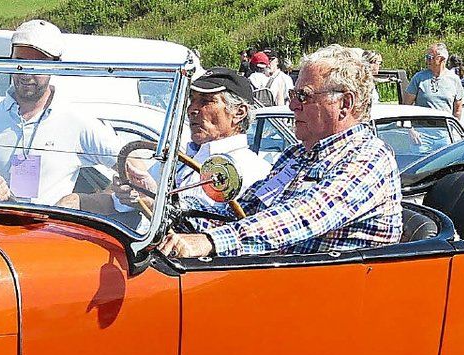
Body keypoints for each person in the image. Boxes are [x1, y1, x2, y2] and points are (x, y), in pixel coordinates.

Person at [157, 44, 401, 259]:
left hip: (326, 295)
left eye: (303, 96)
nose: (292, 105)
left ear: (345, 104)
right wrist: (167, 205)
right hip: (273, 284)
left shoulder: (369, 157)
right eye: (294, 95)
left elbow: (304, 217)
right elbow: (243, 211)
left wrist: (210, 242)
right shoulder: (295, 155)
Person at [0, 20, 120, 205]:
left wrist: (85, 201)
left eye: (36, 64)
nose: (26, 73)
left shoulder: (77, 121)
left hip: (49, 232)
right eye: (19, 63)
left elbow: (131, 167)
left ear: (55, 65)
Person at [93, 68, 271, 217]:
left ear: (239, 113)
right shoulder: (180, 159)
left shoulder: (252, 170)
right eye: (192, 100)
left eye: (206, 101)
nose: (192, 109)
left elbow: (219, 231)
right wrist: (129, 191)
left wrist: (152, 202)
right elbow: (122, 203)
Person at [405, 42, 463, 118]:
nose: (427, 60)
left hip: (444, 128)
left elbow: (457, 111)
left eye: (430, 57)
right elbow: (406, 105)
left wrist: (453, 128)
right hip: (422, 128)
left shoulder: (454, 79)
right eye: (426, 57)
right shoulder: (419, 77)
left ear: (441, 59)